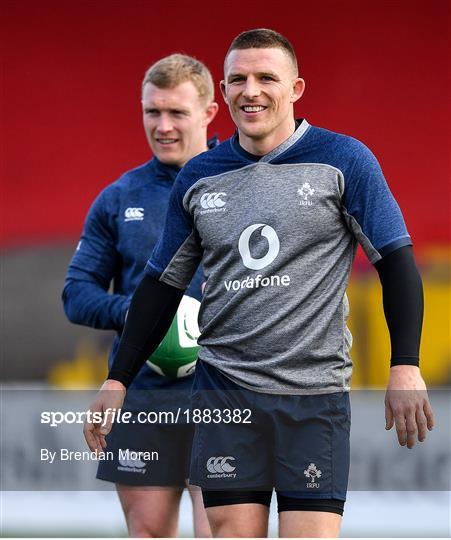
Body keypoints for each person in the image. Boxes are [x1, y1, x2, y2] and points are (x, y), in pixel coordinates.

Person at [84, 29, 435, 538]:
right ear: (223, 92)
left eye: (266, 78)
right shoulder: (200, 177)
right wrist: (118, 380)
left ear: (296, 88)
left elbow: (397, 264)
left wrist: (405, 365)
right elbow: (160, 287)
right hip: (225, 393)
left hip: (313, 396)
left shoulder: (345, 160)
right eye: (238, 80)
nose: (251, 91)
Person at [63, 53, 218, 537]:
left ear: (209, 113)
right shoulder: (118, 197)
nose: (163, 125)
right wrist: (136, 310)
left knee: (221, 531)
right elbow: (77, 293)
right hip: (143, 394)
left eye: (177, 113)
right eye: (153, 112)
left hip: (223, 389)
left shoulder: (242, 184)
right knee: (147, 532)